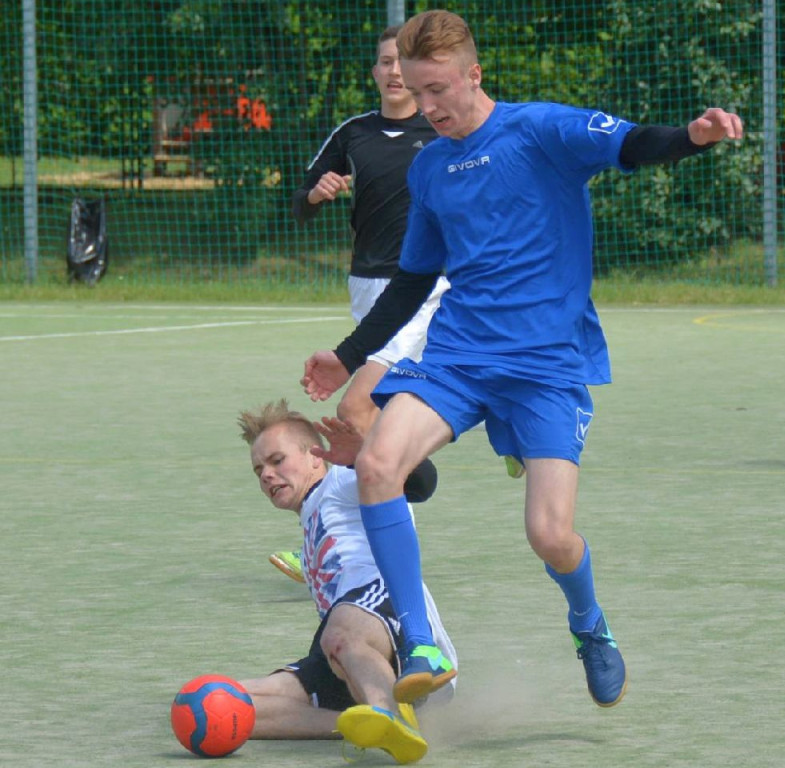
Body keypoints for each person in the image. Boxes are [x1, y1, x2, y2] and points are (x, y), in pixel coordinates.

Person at [299, 9, 743, 710]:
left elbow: (629, 144)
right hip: (460, 356)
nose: (430, 107)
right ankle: (420, 643)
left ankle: (589, 624)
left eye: (440, 89)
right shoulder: (431, 169)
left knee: (550, 535)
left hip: (546, 364)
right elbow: (415, 277)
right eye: (418, 93)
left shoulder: (540, 131)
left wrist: (691, 137)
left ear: (474, 74)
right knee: (379, 465)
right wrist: (349, 355)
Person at [271, 25, 449, 583]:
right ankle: (383, 526)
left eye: (402, 61)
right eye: (384, 62)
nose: (393, 71)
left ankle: (362, 531)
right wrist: (316, 194)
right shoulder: (354, 134)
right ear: (374, 72)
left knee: (353, 411)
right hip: (368, 291)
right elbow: (299, 202)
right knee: (382, 424)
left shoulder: (441, 131)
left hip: (425, 290)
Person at [235, 399, 456, 764]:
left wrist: (362, 454)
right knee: (229, 701)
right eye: (259, 469)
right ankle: (358, 723)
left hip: (388, 617)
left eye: (277, 460)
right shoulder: (311, 519)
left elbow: (421, 482)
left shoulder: (342, 480)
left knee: (337, 635)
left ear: (315, 457)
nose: (266, 475)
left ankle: (389, 715)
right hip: (348, 651)